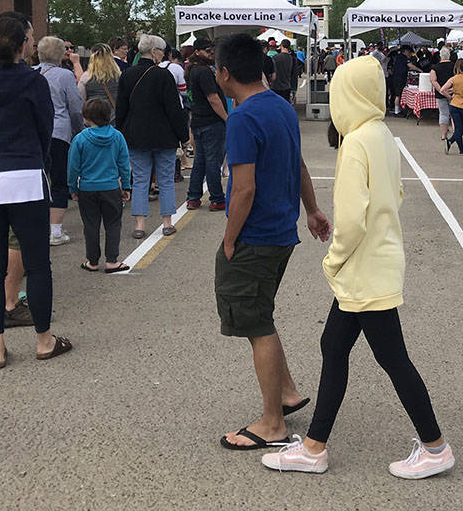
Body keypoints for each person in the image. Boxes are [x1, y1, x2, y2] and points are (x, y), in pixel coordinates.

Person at [261, 54, 454, 479]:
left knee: (393, 358)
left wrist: (334, 258)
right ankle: (314, 446)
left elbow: (350, 219)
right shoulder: (381, 133)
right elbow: (395, 195)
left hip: (363, 270)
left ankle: (435, 445)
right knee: (335, 347)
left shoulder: (356, 142)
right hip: (377, 262)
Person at [213, 34, 331, 450]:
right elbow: (297, 163)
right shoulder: (281, 106)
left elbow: (242, 190)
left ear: (225, 72)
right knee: (261, 314)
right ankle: (287, 392)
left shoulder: (243, 118)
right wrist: (313, 210)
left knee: (254, 323)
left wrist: (229, 240)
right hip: (282, 233)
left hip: (255, 237)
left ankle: (272, 425)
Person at [0, 13, 72, 369]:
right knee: (38, 264)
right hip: (25, 175)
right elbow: (45, 131)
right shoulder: (33, 81)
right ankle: (43, 340)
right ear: (25, 43)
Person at [116, 34, 189, 237]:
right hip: (163, 135)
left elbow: (121, 108)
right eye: (162, 51)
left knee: (140, 179)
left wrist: (121, 131)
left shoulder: (128, 75)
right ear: (155, 51)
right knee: (165, 179)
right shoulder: (164, 76)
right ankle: (167, 222)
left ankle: (140, 225)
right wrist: (183, 136)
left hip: (136, 134)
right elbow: (174, 109)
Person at [69, 98, 132, 273]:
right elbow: (124, 164)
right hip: (111, 186)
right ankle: (112, 260)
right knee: (113, 223)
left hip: (87, 187)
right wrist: (126, 186)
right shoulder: (117, 137)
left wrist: (73, 187)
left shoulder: (80, 139)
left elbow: (73, 166)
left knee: (90, 225)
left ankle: (92, 260)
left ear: (87, 117)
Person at [34, 37, 84, 246]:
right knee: (59, 179)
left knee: (38, 180)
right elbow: (74, 106)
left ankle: (37, 226)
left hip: (35, 132)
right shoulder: (64, 76)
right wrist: (78, 128)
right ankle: (56, 230)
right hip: (59, 131)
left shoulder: (31, 72)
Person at [185, 38, 228, 211]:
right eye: (207, 50)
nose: (211, 53)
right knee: (212, 161)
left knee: (200, 161)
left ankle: (193, 197)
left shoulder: (193, 70)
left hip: (198, 121)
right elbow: (213, 98)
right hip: (211, 122)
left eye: (212, 50)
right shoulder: (203, 72)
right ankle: (217, 198)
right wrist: (227, 118)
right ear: (197, 52)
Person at [441, 59, 463, 156]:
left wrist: (450, 96)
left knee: (458, 127)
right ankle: (452, 143)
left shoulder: (454, 78)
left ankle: (460, 149)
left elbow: (442, 89)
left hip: (454, 104)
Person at [428, 47, 455, 143]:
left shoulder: (435, 68)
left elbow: (433, 80)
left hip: (440, 94)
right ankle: (456, 134)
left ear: (440, 56)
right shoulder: (454, 66)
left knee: (443, 114)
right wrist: (452, 89)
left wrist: (441, 90)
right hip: (453, 93)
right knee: (454, 113)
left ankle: (443, 135)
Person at [270, 39, 300, 103]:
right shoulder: (292, 59)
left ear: (281, 46)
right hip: (287, 87)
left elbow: (271, 72)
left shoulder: (275, 57)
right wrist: (294, 90)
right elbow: (294, 75)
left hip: (275, 86)